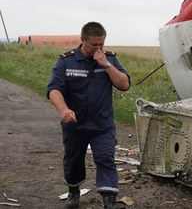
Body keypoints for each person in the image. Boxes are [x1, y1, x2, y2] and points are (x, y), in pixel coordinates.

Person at [47, 22, 130, 209]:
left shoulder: (110, 59)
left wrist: (106, 65)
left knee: (105, 157)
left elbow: (124, 84)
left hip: (102, 124)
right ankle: (73, 191)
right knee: (73, 160)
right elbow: (54, 89)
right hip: (75, 125)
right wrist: (63, 110)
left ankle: (109, 201)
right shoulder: (65, 61)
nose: (98, 48)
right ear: (82, 40)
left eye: (102, 44)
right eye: (94, 45)